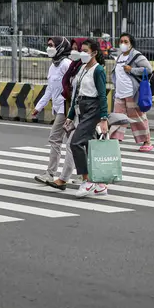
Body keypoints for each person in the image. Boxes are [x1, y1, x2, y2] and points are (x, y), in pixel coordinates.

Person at [64, 39, 109, 198]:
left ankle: (87, 180)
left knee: (76, 142)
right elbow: (76, 93)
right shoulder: (82, 68)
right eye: (81, 50)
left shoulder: (98, 70)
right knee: (90, 146)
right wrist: (70, 115)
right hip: (81, 108)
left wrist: (104, 118)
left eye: (85, 51)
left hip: (93, 109)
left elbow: (103, 95)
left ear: (94, 53)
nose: (82, 53)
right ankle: (101, 184)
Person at [32, 37, 76, 188]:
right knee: (72, 143)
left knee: (56, 139)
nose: (48, 48)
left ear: (61, 47)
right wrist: (39, 106)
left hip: (67, 108)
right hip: (59, 108)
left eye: (52, 45)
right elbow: (49, 89)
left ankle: (52, 174)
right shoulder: (53, 65)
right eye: (48, 45)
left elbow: (73, 87)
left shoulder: (66, 64)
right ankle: (84, 174)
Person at [110, 33, 154, 152]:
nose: (123, 44)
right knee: (117, 118)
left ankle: (147, 141)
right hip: (119, 93)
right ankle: (114, 141)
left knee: (137, 118)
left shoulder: (136, 55)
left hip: (132, 93)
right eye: (121, 41)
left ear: (131, 44)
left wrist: (132, 70)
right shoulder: (119, 57)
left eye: (126, 41)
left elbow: (148, 69)